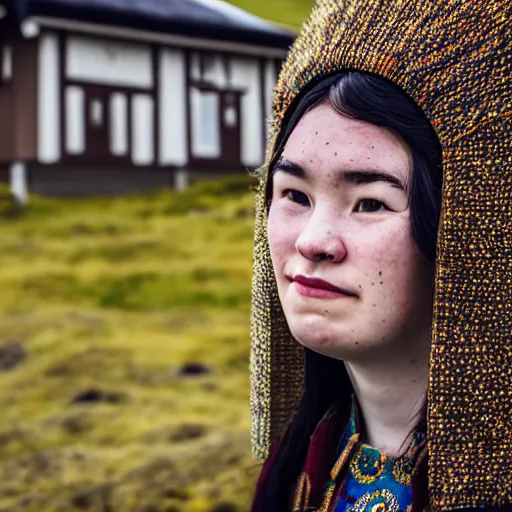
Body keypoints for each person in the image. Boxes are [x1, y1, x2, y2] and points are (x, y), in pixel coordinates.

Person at [248, 1, 512, 511]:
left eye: (370, 202)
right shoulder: (295, 471)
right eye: (294, 195)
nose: (312, 241)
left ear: (468, 226)